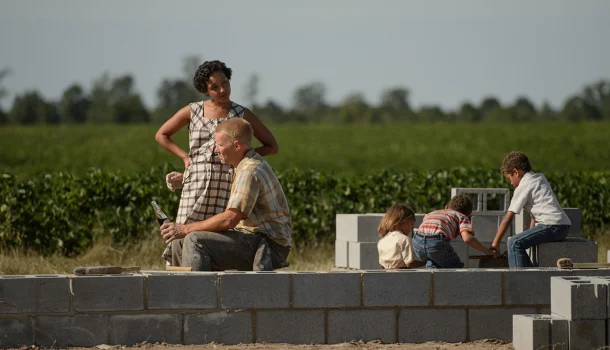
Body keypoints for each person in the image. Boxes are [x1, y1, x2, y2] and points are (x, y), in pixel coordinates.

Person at [155, 60, 279, 266]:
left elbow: (272, 146)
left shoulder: (241, 113)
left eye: (225, 83)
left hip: (227, 186)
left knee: (215, 240)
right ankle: (181, 288)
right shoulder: (193, 110)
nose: (223, 90)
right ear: (205, 90)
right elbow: (162, 134)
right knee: (183, 237)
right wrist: (185, 158)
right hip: (195, 187)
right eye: (214, 87)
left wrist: (242, 156)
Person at [159, 118, 292, 271]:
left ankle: (197, 293)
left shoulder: (249, 171)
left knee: (194, 239)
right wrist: (185, 180)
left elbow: (230, 219)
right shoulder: (242, 165)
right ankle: (181, 292)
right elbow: (212, 180)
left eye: (220, 145)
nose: (216, 150)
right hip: (252, 240)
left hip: (269, 247)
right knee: (179, 243)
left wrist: (185, 228)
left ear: (236, 146)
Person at [491, 151, 571, 268]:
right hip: (563, 225)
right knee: (519, 241)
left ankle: (520, 281)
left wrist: (495, 243)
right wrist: (529, 233)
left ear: (515, 172)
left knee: (514, 243)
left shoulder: (523, 185)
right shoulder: (539, 178)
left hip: (552, 225)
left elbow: (508, 218)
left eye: (510, 178)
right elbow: (536, 211)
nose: (511, 183)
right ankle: (532, 276)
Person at [411, 194, 496, 268]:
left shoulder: (433, 212)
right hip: (436, 243)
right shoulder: (462, 216)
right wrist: (487, 251)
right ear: (468, 215)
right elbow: (467, 239)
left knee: (434, 263)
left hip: (417, 242)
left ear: (446, 207)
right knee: (455, 267)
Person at [377, 204, 426, 269]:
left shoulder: (381, 241)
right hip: (402, 276)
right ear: (401, 221)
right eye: (411, 224)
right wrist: (426, 262)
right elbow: (410, 263)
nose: (411, 228)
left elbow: (382, 266)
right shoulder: (404, 239)